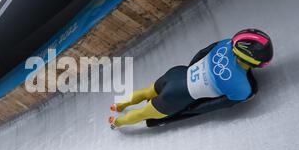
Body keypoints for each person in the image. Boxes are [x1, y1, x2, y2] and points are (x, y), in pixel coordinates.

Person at [109, 29, 274, 129]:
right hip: (177, 96)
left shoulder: (225, 43)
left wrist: (190, 71)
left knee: (147, 92)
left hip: (176, 74)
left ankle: (119, 104)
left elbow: (202, 53)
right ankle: (117, 122)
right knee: (143, 113)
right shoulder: (242, 88)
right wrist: (189, 109)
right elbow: (211, 106)